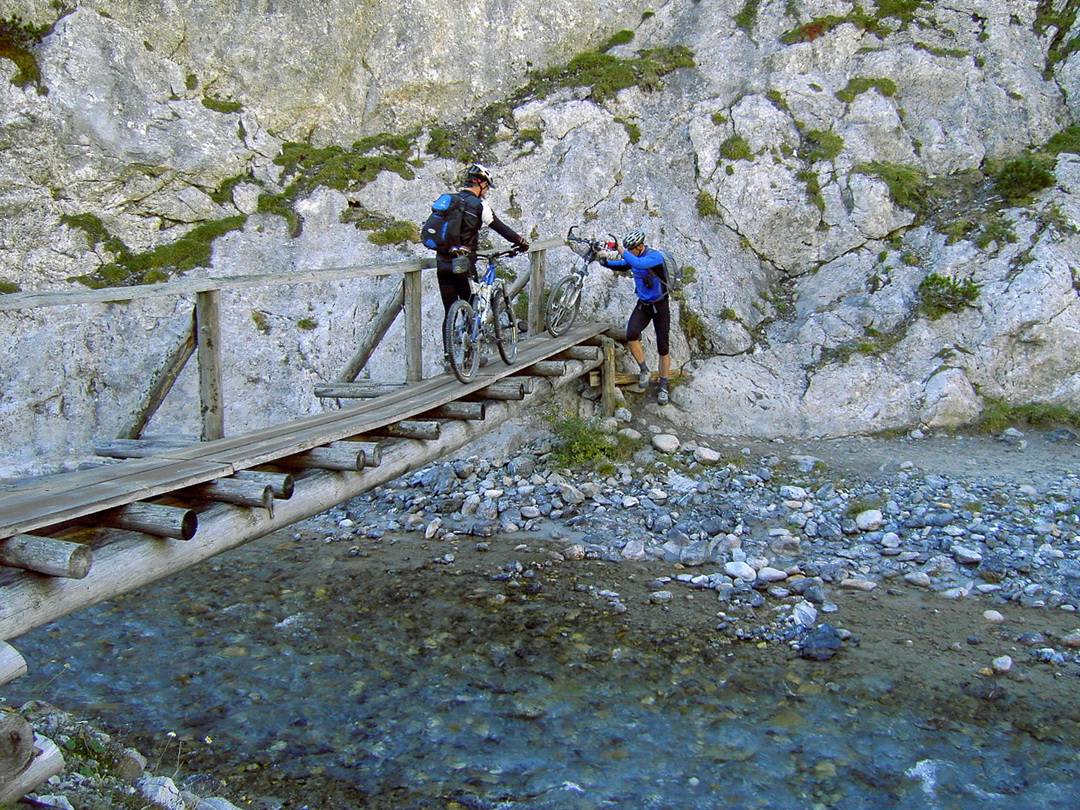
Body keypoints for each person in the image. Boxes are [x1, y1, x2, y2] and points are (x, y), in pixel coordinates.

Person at [436, 163, 530, 316]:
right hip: (463, 263)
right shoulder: (479, 205)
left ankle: (451, 339)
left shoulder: (451, 201)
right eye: (486, 187)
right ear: (481, 183)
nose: (486, 191)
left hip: (442, 262)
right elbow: (500, 227)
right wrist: (520, 241)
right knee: (471, 310)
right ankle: (470, 339)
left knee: (449, 314)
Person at [599, 229, 672, 405]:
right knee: (631, 334)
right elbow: (624, 264)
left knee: (663, 347)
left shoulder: (655, 257)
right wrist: (603, 261)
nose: (629, 252)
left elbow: (638, 264)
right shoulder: (635, 257)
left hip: (660, 305)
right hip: (644, 305)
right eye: (629, 249)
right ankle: (644, 369)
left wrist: (622, 250)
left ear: (640, 247)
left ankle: (663, 385)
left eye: (632, 249)